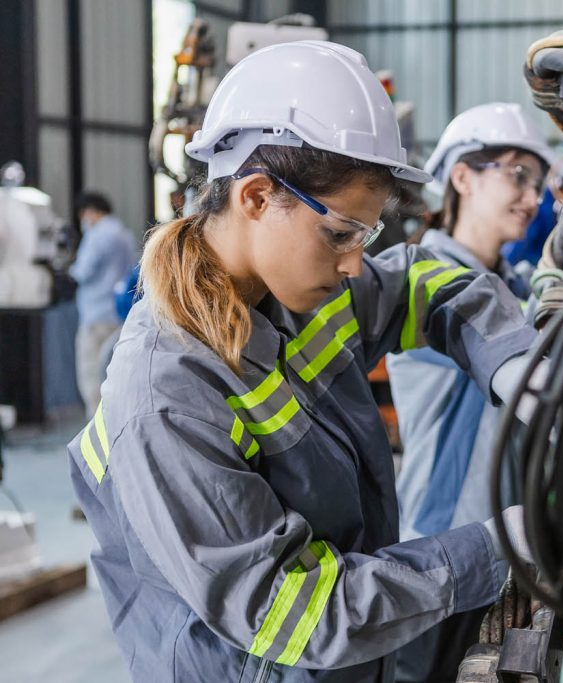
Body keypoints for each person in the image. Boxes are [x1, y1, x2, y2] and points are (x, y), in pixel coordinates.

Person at [67, 41, 535, 682]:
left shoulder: (297, 294)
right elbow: (295, 612)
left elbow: (429, 279)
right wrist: (495, 553)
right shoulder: (168, 394)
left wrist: (516, 363)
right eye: (341, 234)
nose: (354, 264)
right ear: (256, 196)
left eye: (365, 237)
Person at [386, 102, 553, 682]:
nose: (533, 197)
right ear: (462, 176)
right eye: (517, 175)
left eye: (539, 182)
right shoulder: (425, 281)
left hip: (501, 547)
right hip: (442, 547)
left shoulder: (512, 286)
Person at [68, 191, 135, 414]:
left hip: (95, 316)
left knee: (91, 376)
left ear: (91, 212)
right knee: (115, 374)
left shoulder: (97, 235)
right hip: (119, 314)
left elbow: (83, 271)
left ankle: (95, 431)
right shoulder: (124, 234)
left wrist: (68, 268)